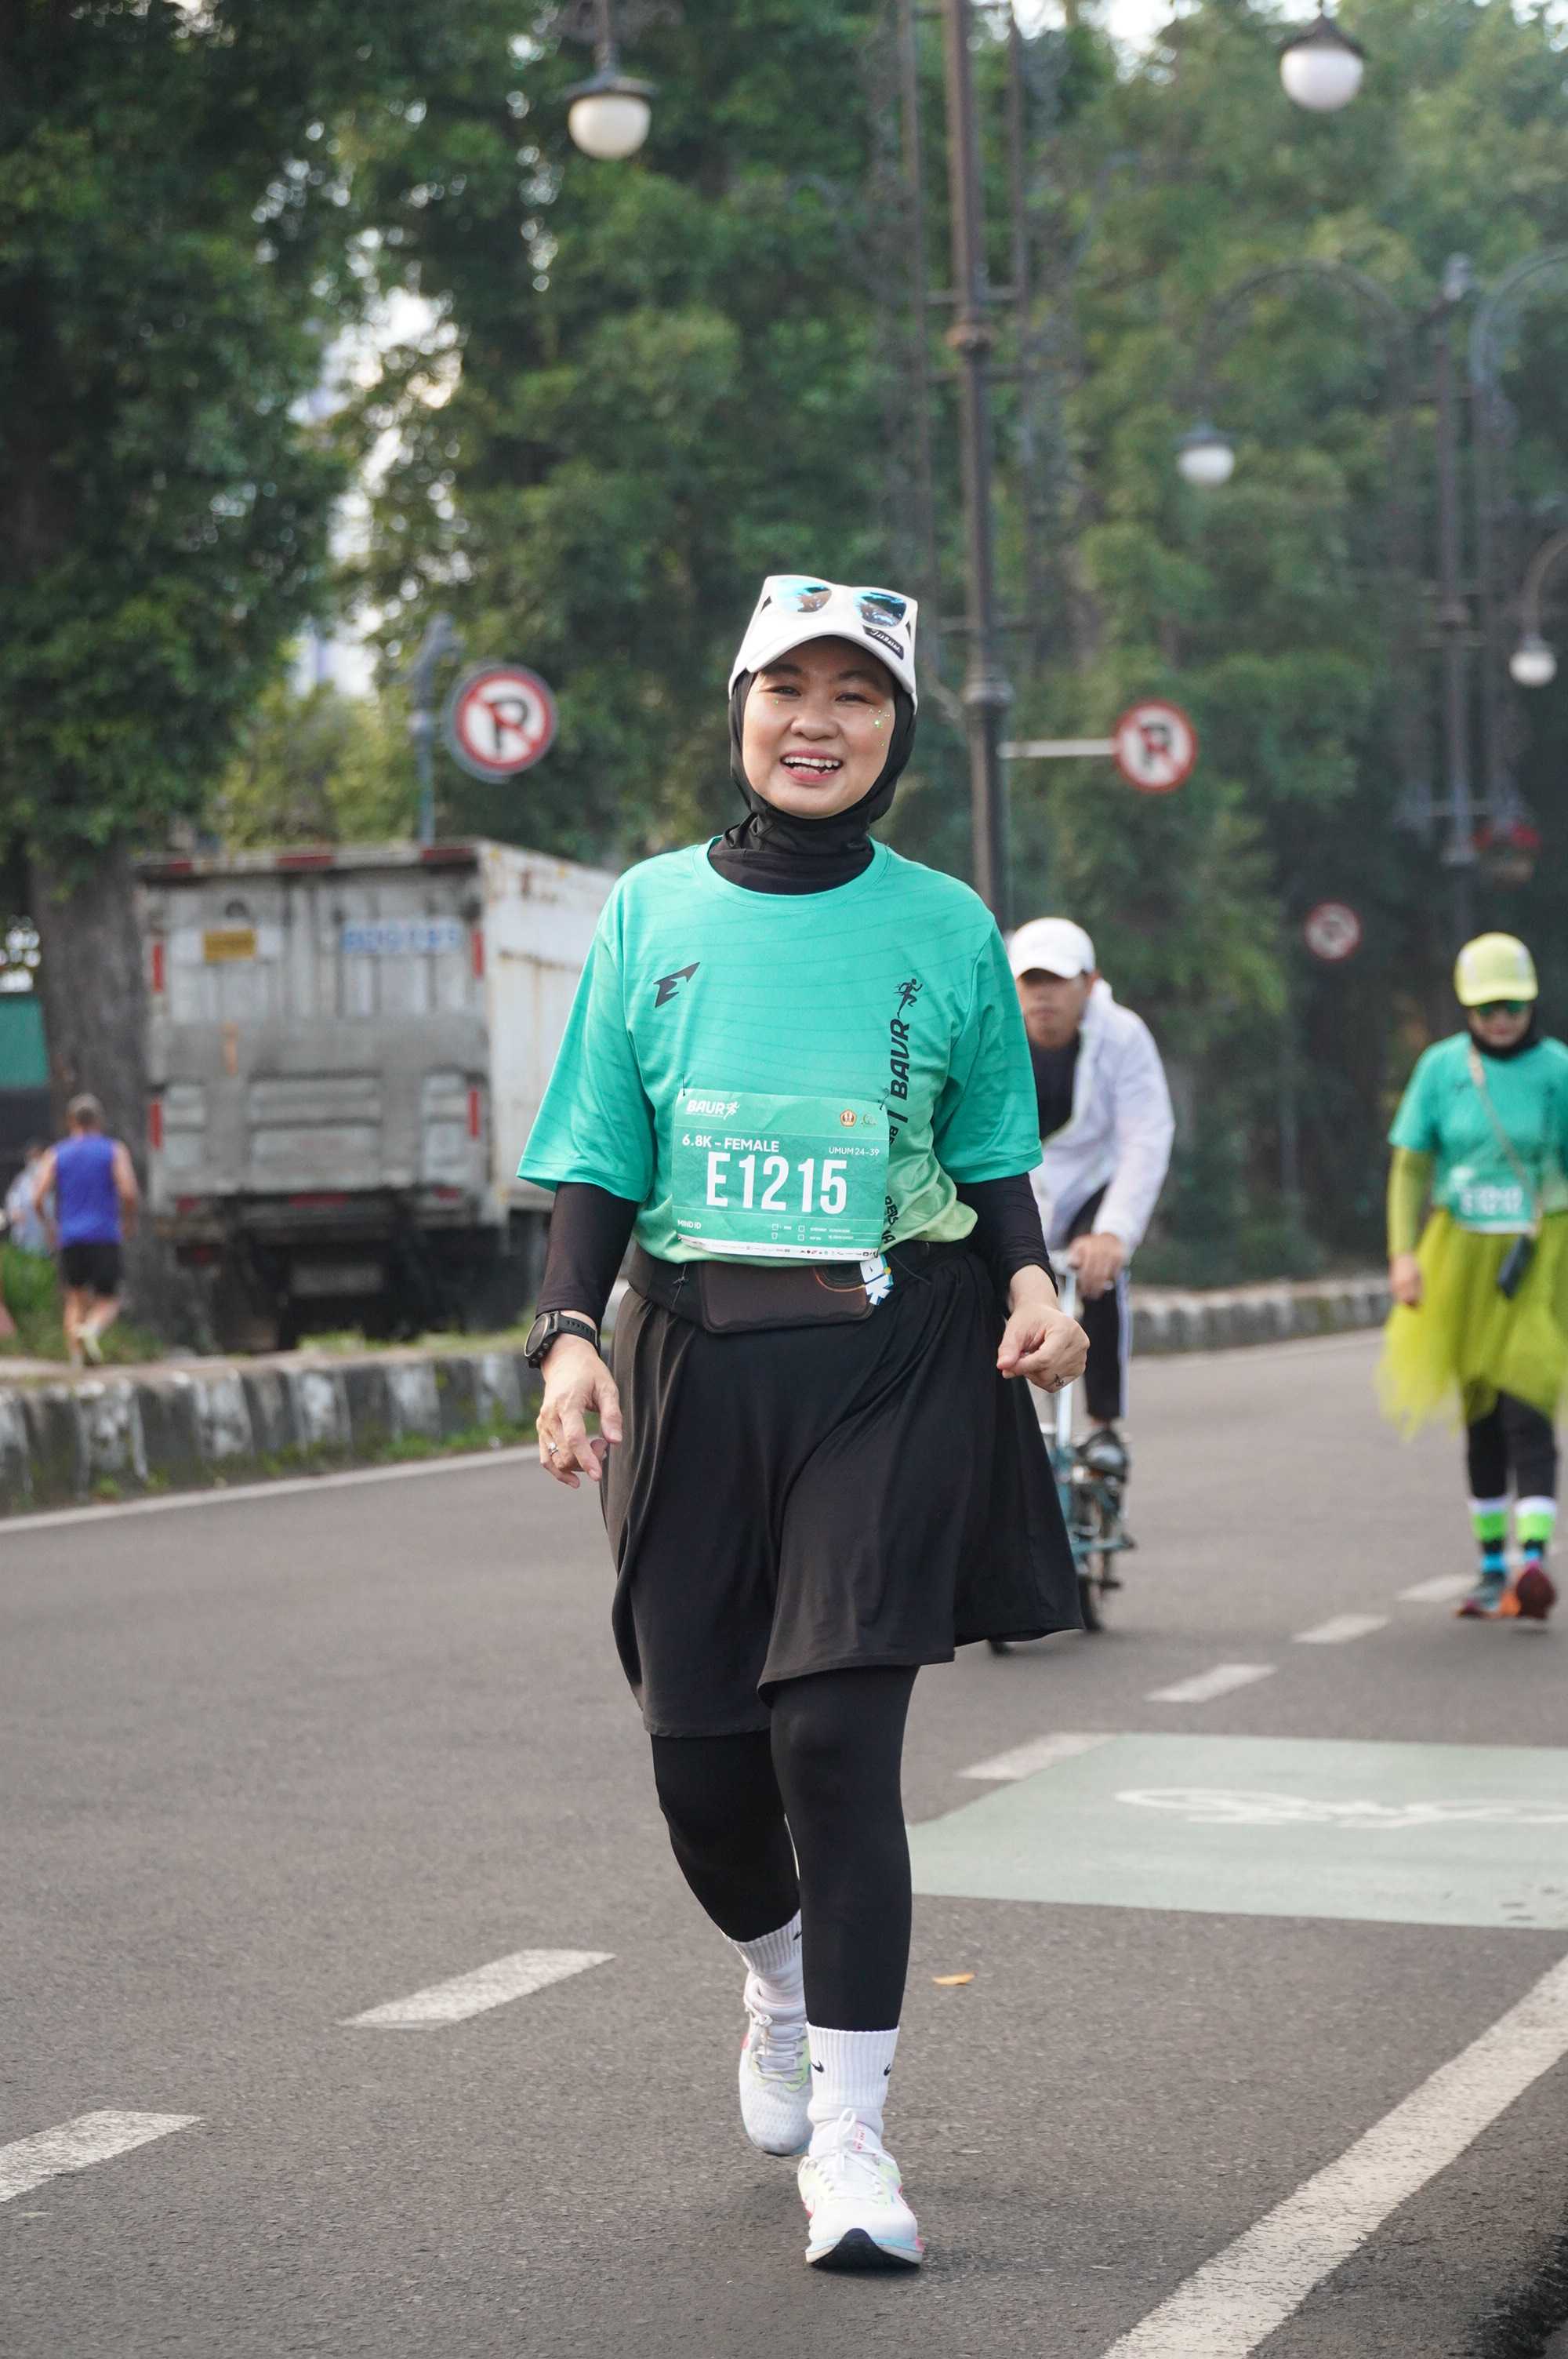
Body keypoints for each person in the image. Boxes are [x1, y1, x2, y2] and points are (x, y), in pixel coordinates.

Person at [520, 575, 1086, 2273]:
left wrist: (1033, 1282)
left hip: (889, 1351)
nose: (817, 722)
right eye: (789, 688)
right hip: (691, 1355)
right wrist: (568, 1335)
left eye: (857, 695)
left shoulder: (947, 924)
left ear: (896, 731)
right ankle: (776, 1975)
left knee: (834, 1742)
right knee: (704, 1768)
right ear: (741, 707)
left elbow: (990, 1152)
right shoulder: (648, 910)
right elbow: (598, 1150)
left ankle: (853, 2139)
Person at [1381, 932, 1568, 1621]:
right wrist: (1404, 1255)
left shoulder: (1558, 1071)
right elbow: (1410, 1168)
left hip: (1541, 1258)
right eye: (1488, 1007)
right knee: (1482, 1415)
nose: (1501, 1019)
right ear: (1467, 1007)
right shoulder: (1441, 1069)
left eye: (1513, 1005)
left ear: (1531, 1002)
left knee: (1528, 1406)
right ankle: (1492, 1567)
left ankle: (1532, 1562)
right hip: (1459, 1258)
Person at [1007, 917, 1174, 1482]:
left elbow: (1145, 1136)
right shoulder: (988, 1034)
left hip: (1091, 1186)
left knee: (1095, 1272)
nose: (1043, 996)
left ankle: (1103, 1425)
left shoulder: (1124, 1036)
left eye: (1057, 980)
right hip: (1012, 1183)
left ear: (1091, 983)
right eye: (1031, 982)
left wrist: (1114, 1231)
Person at [32, 1096, 139, 1368]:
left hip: (70, 1237)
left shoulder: (56, 1153)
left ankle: (77, 1361)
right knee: (109, 1299)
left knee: (74, 1299)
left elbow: (37, 1197)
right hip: (104, 1235)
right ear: (99, 1121)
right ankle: (92, 1329)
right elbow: (128, 1191)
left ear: (71, 1121)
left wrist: (50, 1227)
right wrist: (128, 1221)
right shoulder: (113, 1150)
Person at [5, 1142, 49, 1258]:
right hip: (25, 1235)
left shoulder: (50, 1179)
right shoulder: (21, 1180)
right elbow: (12, 1201)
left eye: (37, 1157)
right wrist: (14, 1212)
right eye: (31, 1157)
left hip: (46, 1234)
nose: (34, 1162)